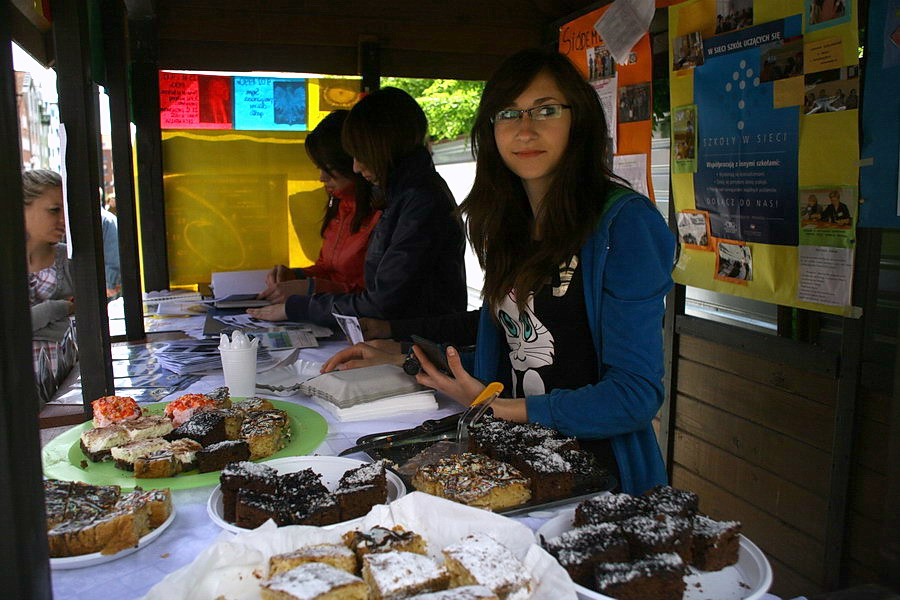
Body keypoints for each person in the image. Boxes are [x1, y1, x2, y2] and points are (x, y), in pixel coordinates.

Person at [324, 49, 675, 495]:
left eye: (545, 110)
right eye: (509, 113)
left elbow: (633, 396)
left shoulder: (624, 225)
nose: (525, 129)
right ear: (490, 130)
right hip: (508, 466)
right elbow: (508, 357)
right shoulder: (504, 225)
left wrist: (501, 408)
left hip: (595, 482)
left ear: (578, 120)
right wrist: (405, 356)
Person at [249, 87, 467, 326]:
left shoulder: (419, 202)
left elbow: (383, 301)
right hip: (400, 335)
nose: (355, 168)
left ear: (382, 148)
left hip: (416, 340)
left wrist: (299, 304)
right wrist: (299, 278)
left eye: (359, 154)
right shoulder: (401, 196)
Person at [258, 110, 381, 303]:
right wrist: (296, 276)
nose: (322, 178)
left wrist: (311, 287)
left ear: (352, 162)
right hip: (329, 311)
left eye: (328, 168)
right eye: (319, 168)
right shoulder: (340, 206)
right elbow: (327, 269)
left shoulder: (382, 214)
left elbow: (376, 296)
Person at [23, 170, 75, 372]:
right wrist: (58, 308)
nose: (64, 219)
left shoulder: (70, 260)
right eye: (54, 210)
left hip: (68, 386)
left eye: (66, 209)